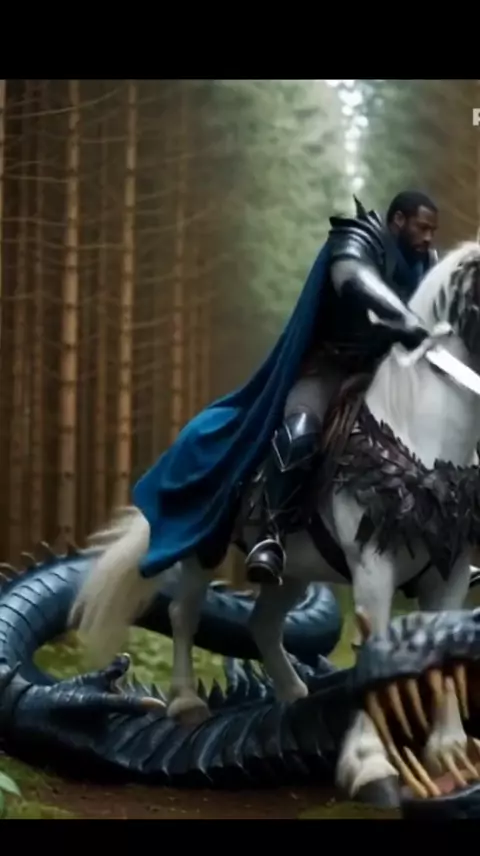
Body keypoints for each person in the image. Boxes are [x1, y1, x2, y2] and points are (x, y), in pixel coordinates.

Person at [132, 190, 438, 589]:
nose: (428, 237)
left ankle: (434, 549)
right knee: (300, 431)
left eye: (432, 231)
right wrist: (405, 319)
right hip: (330, 369)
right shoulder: (358, 237)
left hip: (387, 377)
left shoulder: (426, 264)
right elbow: (352, 279)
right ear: (398, 220)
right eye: (422, 227)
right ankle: (270, 535)